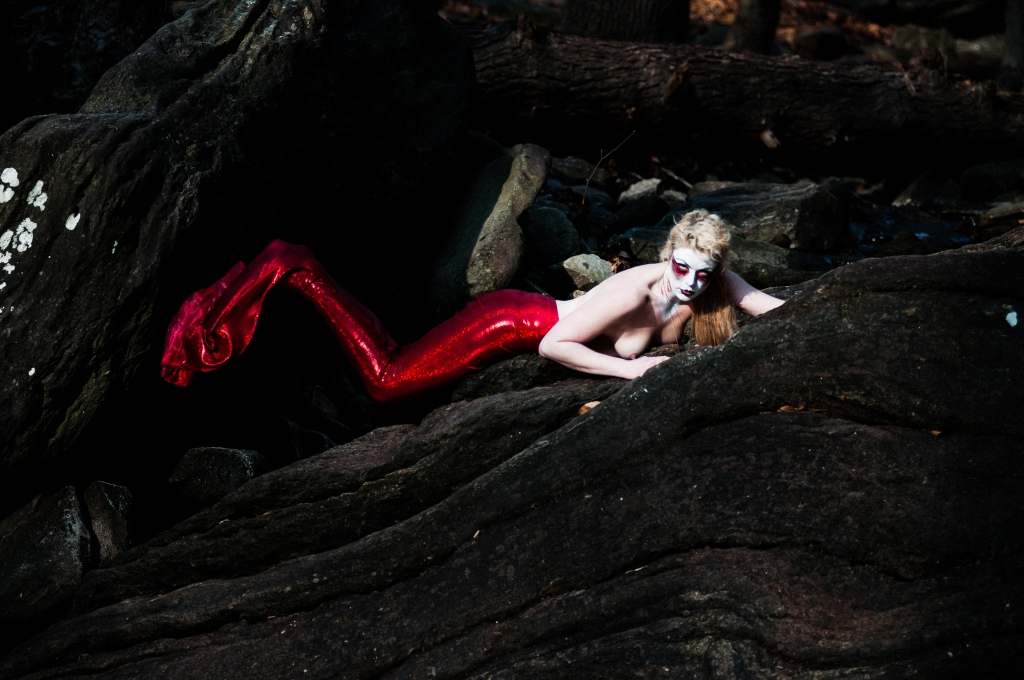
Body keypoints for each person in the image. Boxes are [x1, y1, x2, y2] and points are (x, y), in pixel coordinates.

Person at [161, 210, 783, 401]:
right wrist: (634, 371)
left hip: (524, 313)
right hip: (509, 323)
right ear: (668, 254)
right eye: (682, 268)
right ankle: (293, 267)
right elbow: (555, 346)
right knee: (386, 380)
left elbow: (773, 307)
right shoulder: (634, 289)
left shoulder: (714, 283)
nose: (690, 284)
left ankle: (298, 267)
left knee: (396, 350)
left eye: (703, 274)